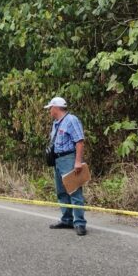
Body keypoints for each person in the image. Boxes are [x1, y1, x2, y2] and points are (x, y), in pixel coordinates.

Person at [44, 97, 87, 235]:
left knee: (74, 191)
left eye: (50, 108)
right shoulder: (56, 123)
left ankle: (80, 223)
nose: (49, 111)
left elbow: (79, 141)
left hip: (69, 158)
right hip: (58, 160)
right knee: (61, 191)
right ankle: (66, 219)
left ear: (56, 108)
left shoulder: (71, 120)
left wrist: (78, 161)